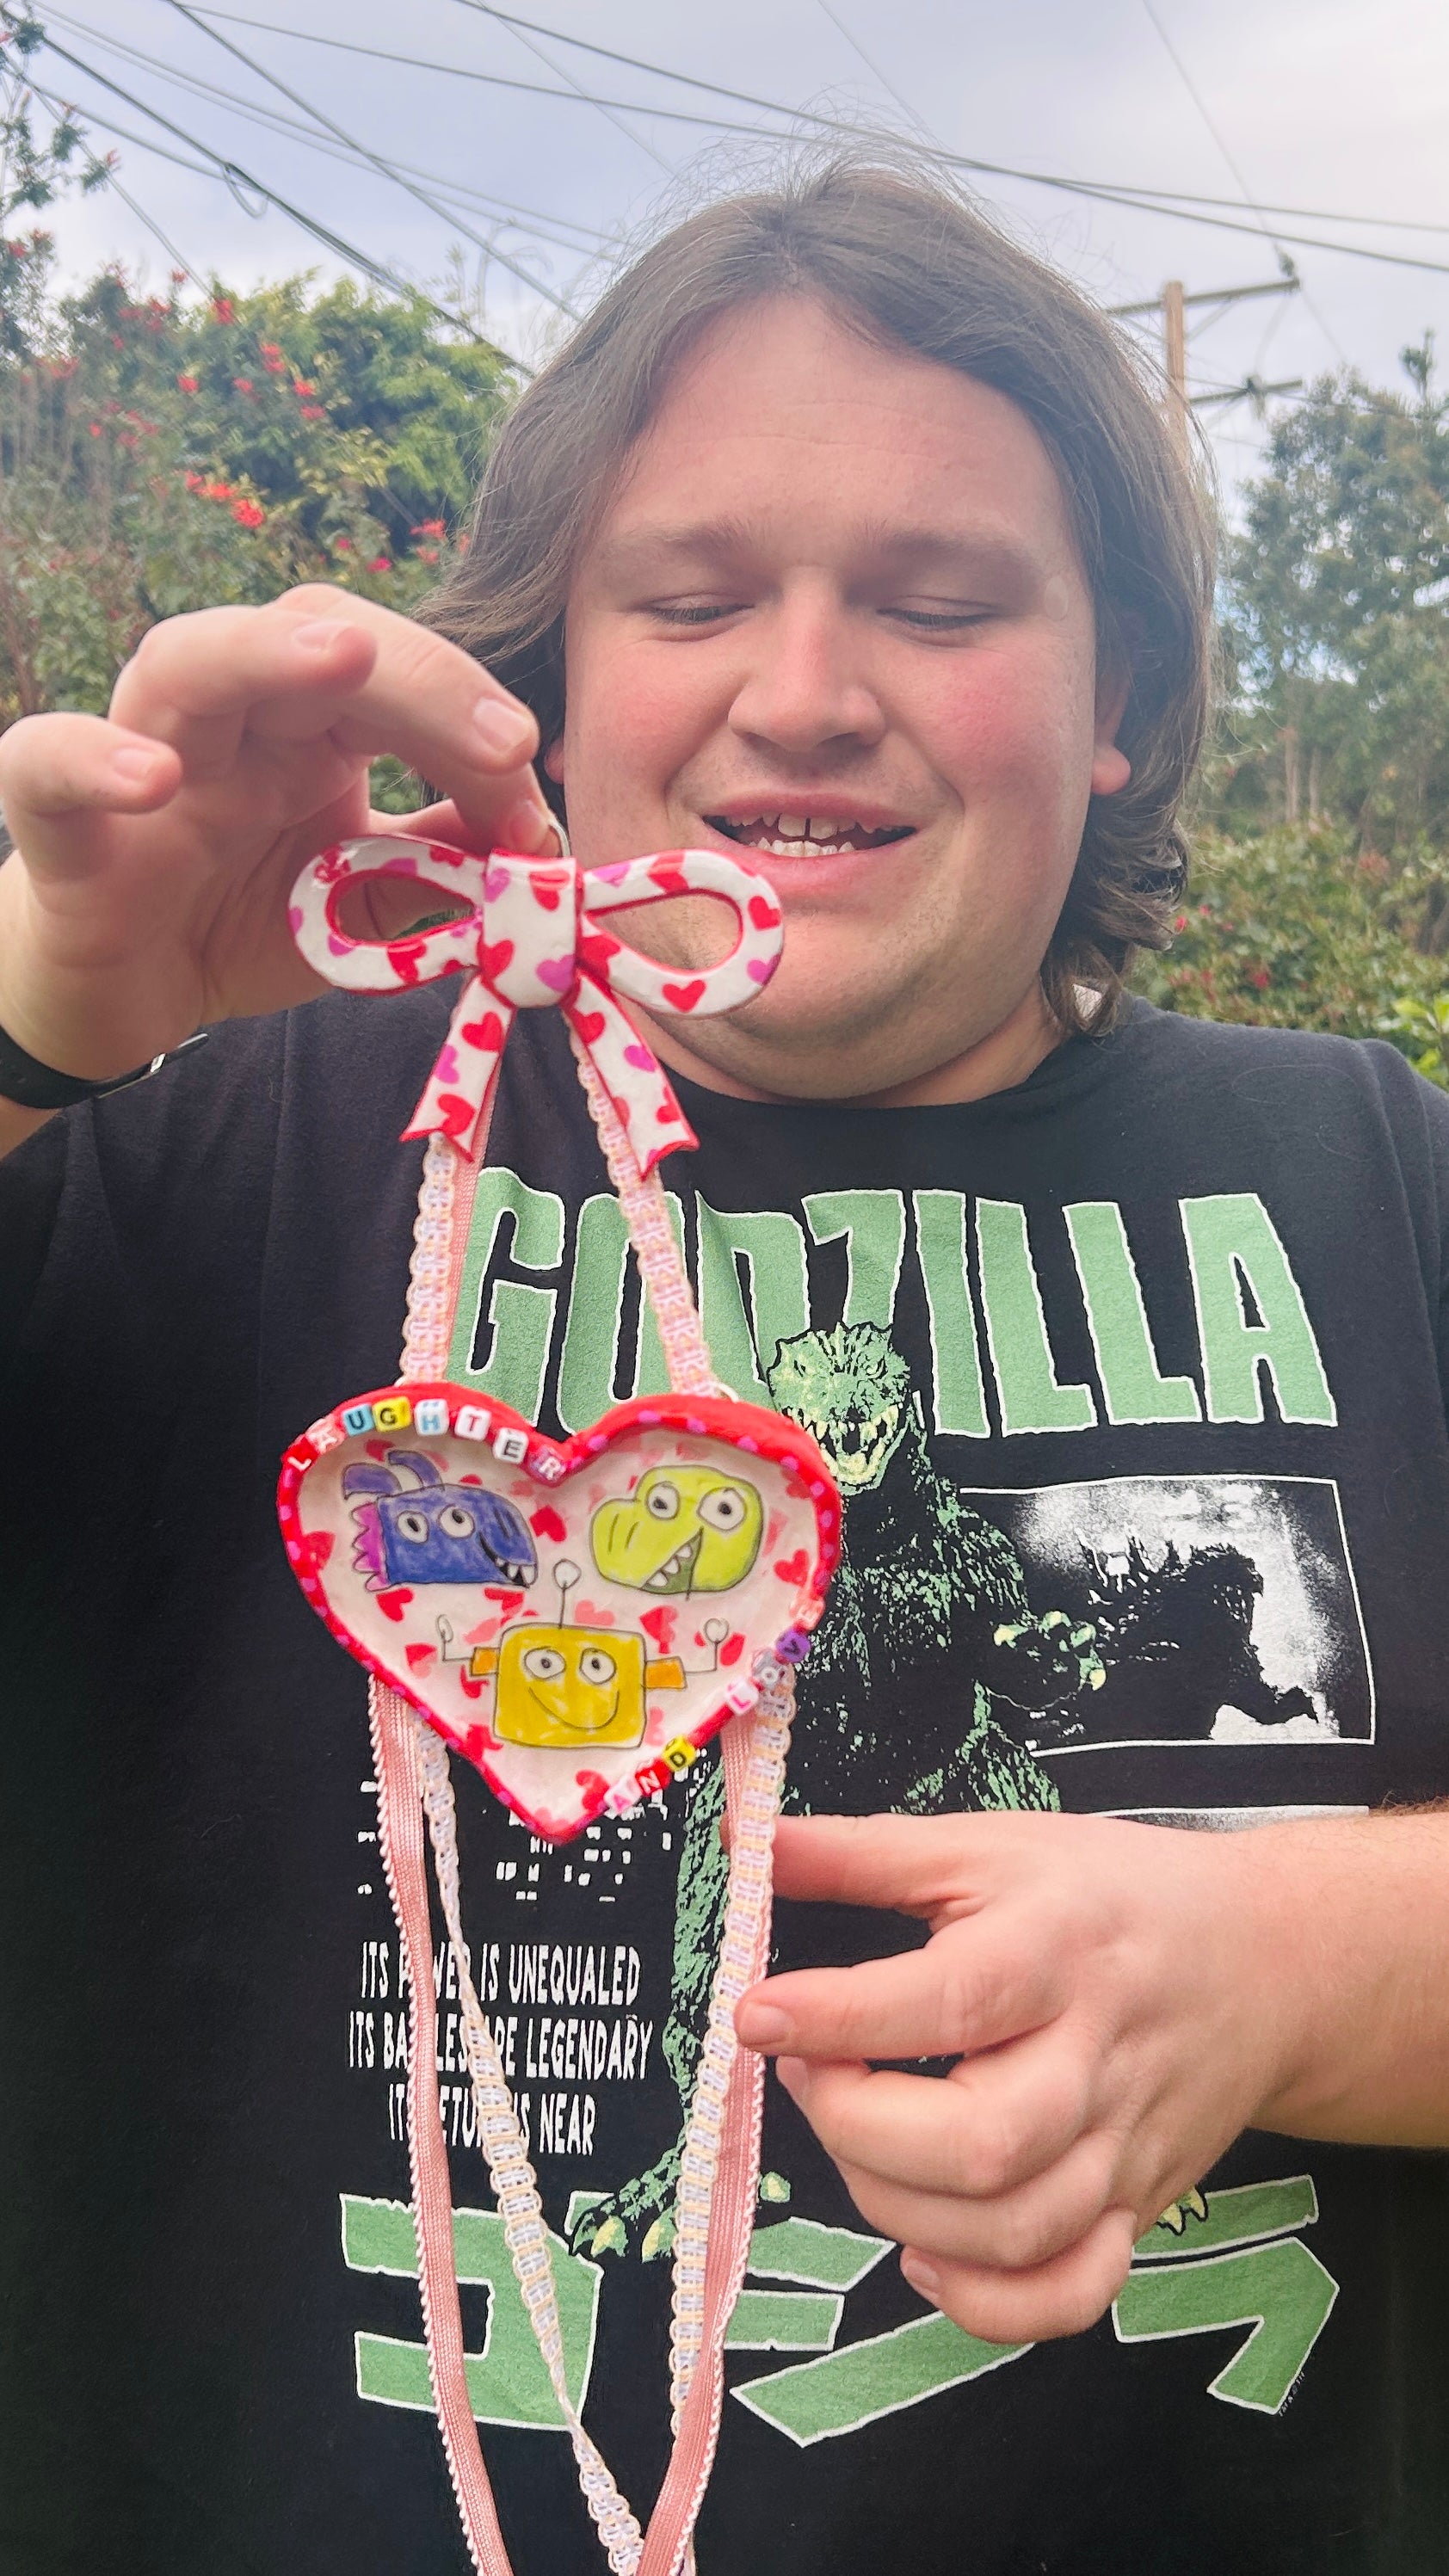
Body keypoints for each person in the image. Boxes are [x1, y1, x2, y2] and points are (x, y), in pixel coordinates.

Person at [3, 155, 1448, 2576]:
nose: (802, 693)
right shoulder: (215, 1151)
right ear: (552, 680)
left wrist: (1294, 1970)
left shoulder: (1377, 1181)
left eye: (940, 601)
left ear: (1117, 702)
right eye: (690, 599)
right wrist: (41, 1024)